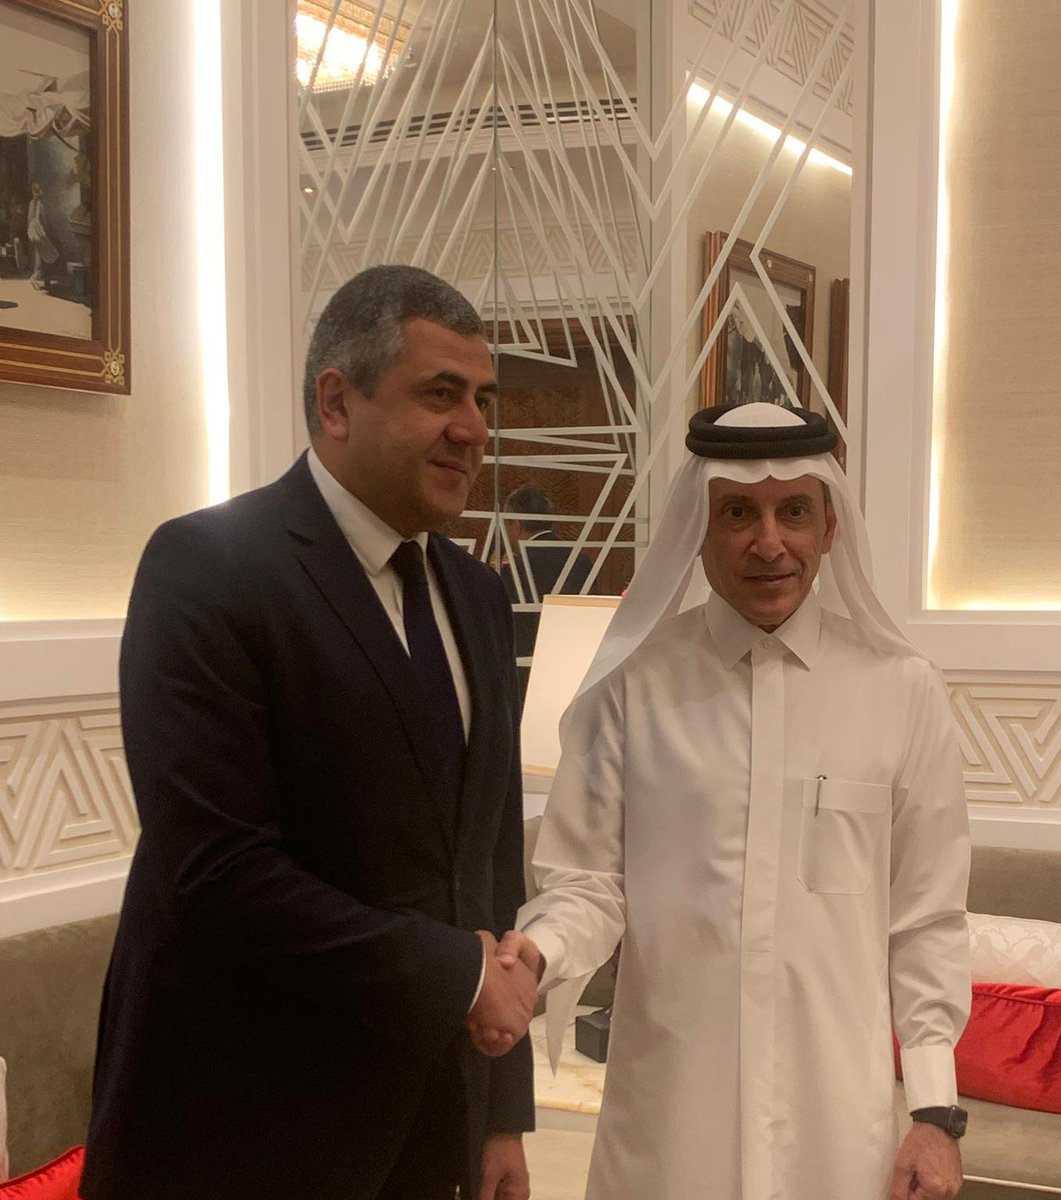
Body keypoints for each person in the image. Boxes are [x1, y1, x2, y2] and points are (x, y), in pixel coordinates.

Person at [82, 265, 537, 1200]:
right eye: (441, 394)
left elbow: (489, 864)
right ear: (336, 402)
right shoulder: (207, 568)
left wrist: (501, 1112)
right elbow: (216, 873)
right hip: (244, 1131)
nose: (474, 429)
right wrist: (457, 976)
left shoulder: (480, 596)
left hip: (431, 1129)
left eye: (483, 401)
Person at [508, 402, 972, 1200]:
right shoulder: (633, 686)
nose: (768, 542)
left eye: (793, 511)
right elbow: (587, 885)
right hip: (672, 1124)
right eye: (737, 514)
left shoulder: (903, 691)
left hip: (831, 1132)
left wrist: (935, 1111)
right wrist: (539, 953)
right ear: (698, 526)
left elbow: (926, 919)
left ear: (829, 526)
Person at [498, 484, 593, 688]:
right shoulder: (581, 560)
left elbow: (507, 627)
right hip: (575, 665)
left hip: (529, 671)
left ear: (517, 525)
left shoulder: (516, 569)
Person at [26, 182, 59, 292]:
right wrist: (46, 234)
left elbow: (30, 220)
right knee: (43, 258)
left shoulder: (33, 204)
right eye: (36, 191)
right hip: (41, 234)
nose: (37, 193)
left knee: (41, 258)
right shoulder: (39, 205)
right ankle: (37, 278)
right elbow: (43, 221)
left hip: (37, 234)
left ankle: (43, 280)